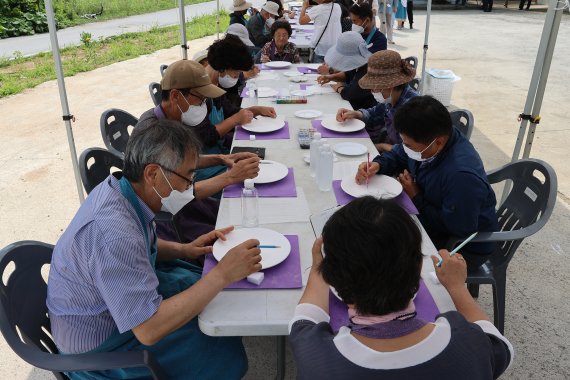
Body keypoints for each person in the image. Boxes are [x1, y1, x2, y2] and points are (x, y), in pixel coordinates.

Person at [47, 119, 263, 379]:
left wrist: (184, 249)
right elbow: (148, 330)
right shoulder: (113, 233)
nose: (189, 187)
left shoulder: (120, 190)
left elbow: (138, 244)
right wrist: (223, 274)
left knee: (208, 294)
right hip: (105, 349)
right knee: (215, 340)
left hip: (115, 310)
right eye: (188, 177)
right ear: (152, 174)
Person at [289, 197, 513, 379]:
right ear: (418, 267)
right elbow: (501, 346)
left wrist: (320, 266)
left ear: (333, 278)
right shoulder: (470, 347)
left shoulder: (316, 355)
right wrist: (457, 287)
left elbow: (305, 316)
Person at [355, 96, 499, 270]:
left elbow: (458, 228)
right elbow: (401, 152)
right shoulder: (432, 140)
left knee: (380, 244)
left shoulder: (461, 177)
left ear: (438, 142)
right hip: (431, 212)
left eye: (411, 145)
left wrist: (416, 197)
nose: (406, 148)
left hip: (460, 247)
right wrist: (378, 165)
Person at [136, 59, 261, 242]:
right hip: (168, 219)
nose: (204, 105)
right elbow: (176, 196)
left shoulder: (175, 118)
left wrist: (221, 158)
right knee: (230, 231)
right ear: (176, 96)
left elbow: (181, 162)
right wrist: (230, 177)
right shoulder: (153, 134)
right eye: (200, 99)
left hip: (186, 200)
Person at [336, 49, 418, 151]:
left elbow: (412, 151)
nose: (373, 91)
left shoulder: (413, 110)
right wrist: (356, 114)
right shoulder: (391, 100)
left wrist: (380, 147)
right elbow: (375, 113)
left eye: (376, 87)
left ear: (390, 85)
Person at [317, 31, 376, 110]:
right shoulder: (359, 64)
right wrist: (331, 77)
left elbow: (350, 94)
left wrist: (339, 88)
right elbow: (348, 74)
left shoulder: (367, 71)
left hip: (365, 109)